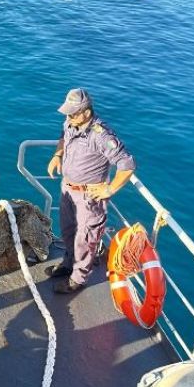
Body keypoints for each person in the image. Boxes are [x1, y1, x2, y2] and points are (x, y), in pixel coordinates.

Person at [46, 88, 136, 294]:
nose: (68, 117)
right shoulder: (71, 122)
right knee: (68, 231)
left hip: (88, 196)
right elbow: (64, 136)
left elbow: (127, 164)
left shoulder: (101, 136)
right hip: (68, 189)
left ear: (86, 113)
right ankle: (68, 264)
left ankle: (77, 279)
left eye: (72, 113)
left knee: (84, 239)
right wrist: (57, 155)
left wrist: (110, 189)